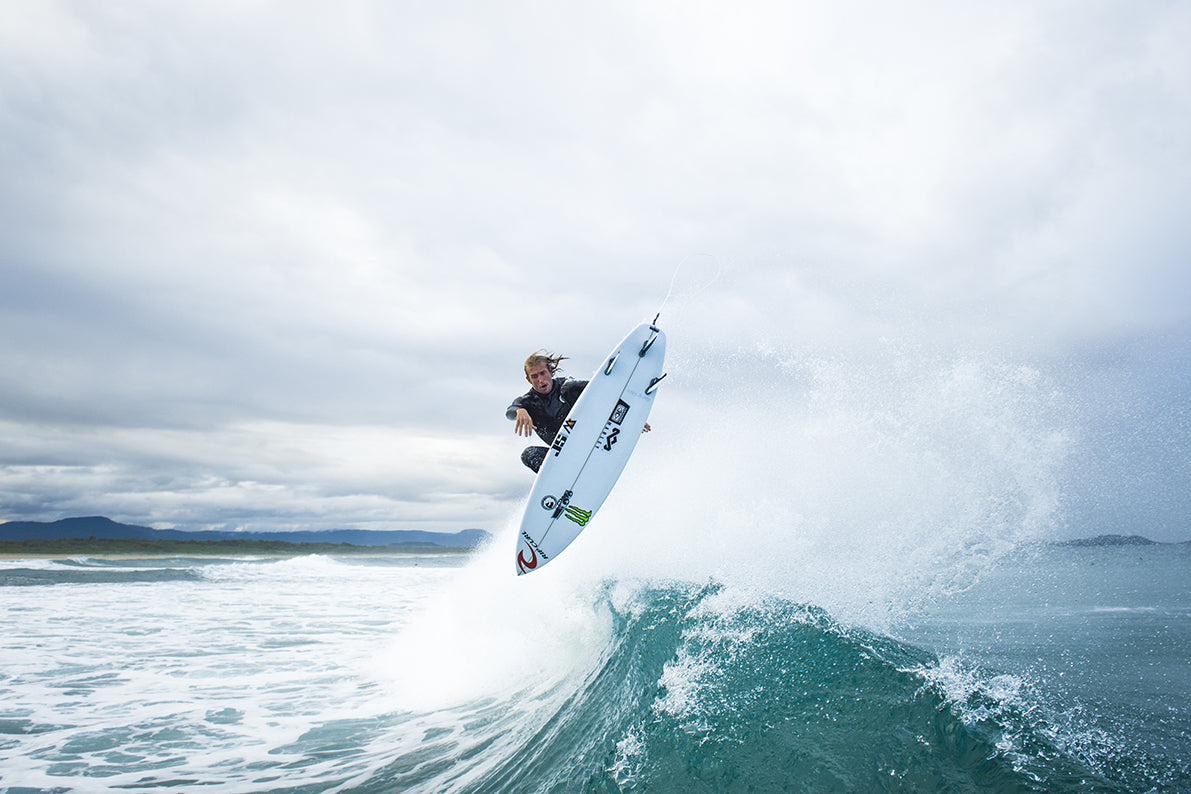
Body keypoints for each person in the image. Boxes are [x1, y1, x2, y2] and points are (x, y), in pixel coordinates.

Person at [507, 350, 588, 473]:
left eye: (542, 373)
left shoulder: (565, 385)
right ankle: (563, 480)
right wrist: (519, 410)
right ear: (528, 379)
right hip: (565, 456)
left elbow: (594, 387)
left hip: (590, 436)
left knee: (570, 389)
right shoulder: (529, 402)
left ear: (550, 371)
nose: (540, 380)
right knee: (528, 454)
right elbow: (510, 412)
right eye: (534, 376)